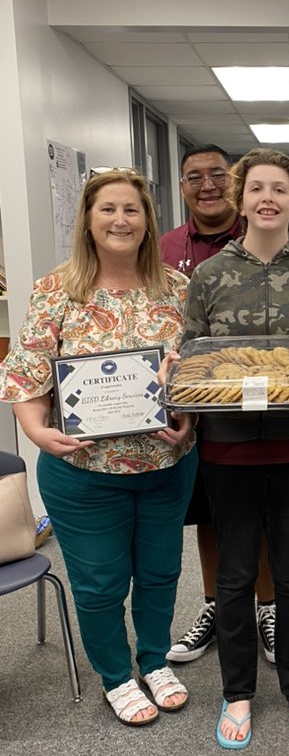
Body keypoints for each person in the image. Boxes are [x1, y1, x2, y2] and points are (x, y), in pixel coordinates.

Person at [0, 169, 197, 726]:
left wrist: (187, 421)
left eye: (131, 210)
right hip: (84, 470)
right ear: (87, 218)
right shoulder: (55, 291)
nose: (120, 220)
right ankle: (115, 675)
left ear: (147, 219)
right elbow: (27, 378)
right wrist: (39, 434)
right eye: (107, 209)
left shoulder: (178, 291)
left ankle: (155, 660)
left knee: (160, 573)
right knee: (101, 581)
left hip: (166, 464)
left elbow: (195, 375)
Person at [178, 146, 289, 748]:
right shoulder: (207, 275)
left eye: (280, 188)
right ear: (241, 199)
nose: (267, 198)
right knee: (235, 573)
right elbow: (191, 358)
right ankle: (237, 694)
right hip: (227, 450)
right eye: (256, 189)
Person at [160, 144, 276, 666]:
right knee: (209, 513)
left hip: (260, 405)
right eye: (192, 178)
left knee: (266, 512)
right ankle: (215, 606)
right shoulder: (162, 249)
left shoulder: (259, 236)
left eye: (217, 176)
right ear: (181, 187)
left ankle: (268, 606)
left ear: (235, 183)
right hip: (193, 407)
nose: (206, 186)